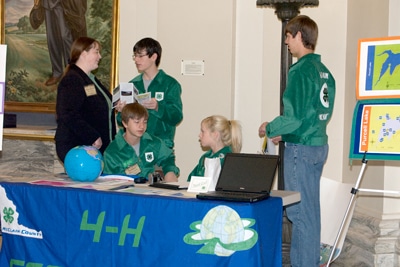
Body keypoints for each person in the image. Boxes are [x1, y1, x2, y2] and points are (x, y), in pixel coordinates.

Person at [258, 15, 336, 267]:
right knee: (311, 212)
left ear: (299, 36)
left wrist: (270, 128)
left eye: (288, 37)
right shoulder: (324, 72)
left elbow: (294, 116)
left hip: (301, 151)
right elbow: (311, 116)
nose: (286, 43)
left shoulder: (301, 70)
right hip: (317, 145)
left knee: (299, 213)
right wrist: (288, 132)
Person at [55, 37, 116, 163]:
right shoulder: (72, 79)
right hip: (78, 146)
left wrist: (116, 105)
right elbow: (67, 114)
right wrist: (92, 136)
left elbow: (102, 104)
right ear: (83, 53)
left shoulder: (90, 79)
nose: (99, 56)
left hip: (93, 147)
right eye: (96, 52)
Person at [127, 37, 183, 150]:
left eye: (140, 56)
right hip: (136, 147)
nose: (136, 60)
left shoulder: (170, 84)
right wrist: (123, 110)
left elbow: (176, 116)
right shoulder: (132, 85)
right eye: (135, 56)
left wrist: (158, 107)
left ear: (153, 57)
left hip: (160, 147)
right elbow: (121, 120)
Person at [103, 103, 180, 182]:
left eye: (145, 122)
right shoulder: (112, 152)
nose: (142, 126)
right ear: (125, 123)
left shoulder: (153, 142)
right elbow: (109, 181)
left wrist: (169, 172)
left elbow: (168, 158)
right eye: (137, 122)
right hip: (126, 192)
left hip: (150, 190)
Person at [37, 0, 87, 86]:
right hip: (46, 3)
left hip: (63, 3)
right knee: (52, 38)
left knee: (65, 36)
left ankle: (71, 72)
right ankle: (57, 73)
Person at [188, 115, 242, 181]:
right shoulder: (205, 157)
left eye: (203, 131)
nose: (199, 135)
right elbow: (191, 180)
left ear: (215, 135)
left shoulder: (228, 159)